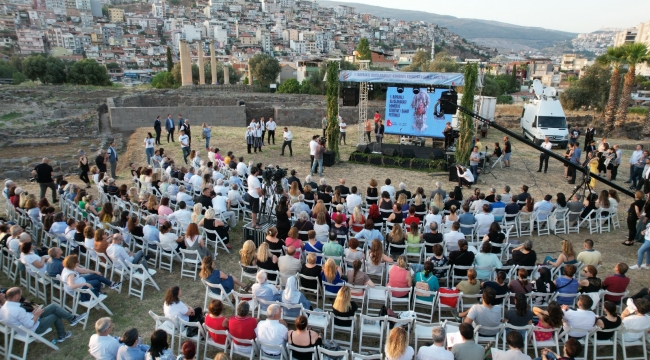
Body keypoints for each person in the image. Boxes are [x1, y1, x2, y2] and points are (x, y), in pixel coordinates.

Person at [0, 287, 84, 343]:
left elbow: (20, 319)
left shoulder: (2, 309)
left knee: (53, 307)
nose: (21, 297)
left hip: (24, 327)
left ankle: (72, 319)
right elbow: (29, 324)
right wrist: (36, 315)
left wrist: (32, 314)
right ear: (16, 296)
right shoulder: (18, 310)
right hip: (34, 328)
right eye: (20, 295)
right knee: (55, 315)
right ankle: (62, 335)